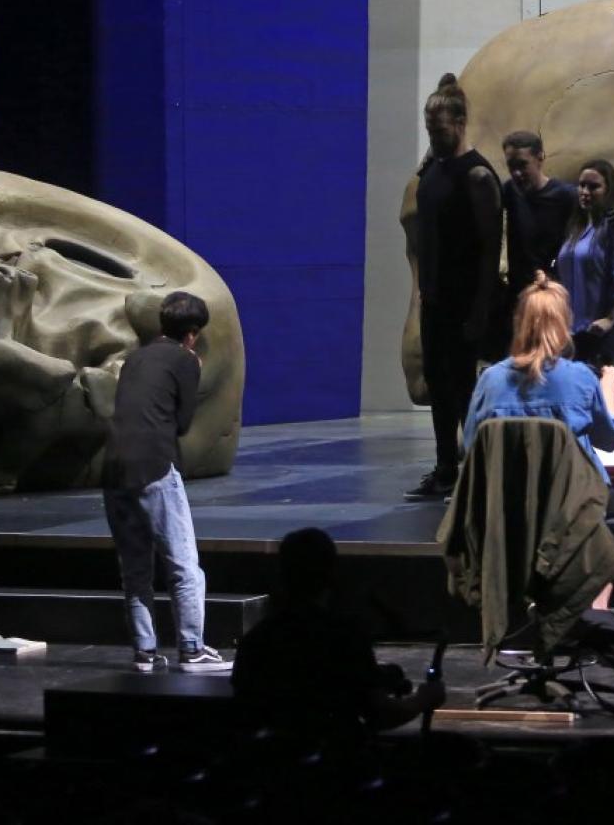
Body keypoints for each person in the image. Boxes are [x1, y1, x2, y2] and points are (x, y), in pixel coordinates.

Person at [463, 272, 614, 608]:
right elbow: (610, 439)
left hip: (506, 503)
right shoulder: (581, 377)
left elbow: (470, 448)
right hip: (570, 505)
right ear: (564, 323)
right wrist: (608, 393)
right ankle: (595, 609)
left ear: (518, 323)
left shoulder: (490, 380)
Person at [102, 290, 231, 673]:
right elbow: (183, 422)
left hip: (113, 470)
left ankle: (144, 651)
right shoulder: (185, 359)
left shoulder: (135, 358)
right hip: (154, 465)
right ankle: (192, 648)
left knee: (136, 568)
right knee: (185, 565)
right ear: (192, 333)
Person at [231, 527, 446, 735]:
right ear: (332, 574)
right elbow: (380, 715)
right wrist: (422, 700)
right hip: (334, 760)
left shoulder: (256, 640)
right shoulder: (342, 637)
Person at [406, 73, 502, 501]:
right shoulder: (434, 171)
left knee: (464, 388)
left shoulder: (477, 176)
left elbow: (488, 249)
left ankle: (477, 469)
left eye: (441, 131)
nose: (436, 138)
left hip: (465, 300)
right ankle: (446, 466)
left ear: (461, 123)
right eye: (430, 132)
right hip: (436, 299)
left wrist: (481, 308)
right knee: (439, 386)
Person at [497, 129, 578, 351]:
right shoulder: (509, 193)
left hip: (553, 299)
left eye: (522, 165)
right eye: (511, 166)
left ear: (540, 158)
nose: (516, 173)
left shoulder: (565, 197)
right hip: (519, 300)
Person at [557, 158, 614, 376]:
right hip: (579, 330)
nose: (585, 191)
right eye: (582, 185)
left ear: (608, 190)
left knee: (601, 397)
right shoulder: (575, 229)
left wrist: (610, 319)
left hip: (610, 327)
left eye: (594, 186)